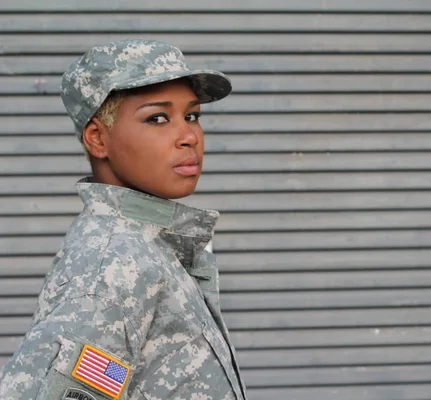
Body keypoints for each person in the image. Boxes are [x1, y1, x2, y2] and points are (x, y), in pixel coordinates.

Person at [0, 39, 247, 400]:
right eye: (157, 118)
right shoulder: (115, 265)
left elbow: (120, 378)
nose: (189, 137)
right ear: (98, 139)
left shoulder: (149, 245)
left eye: (191, 115)